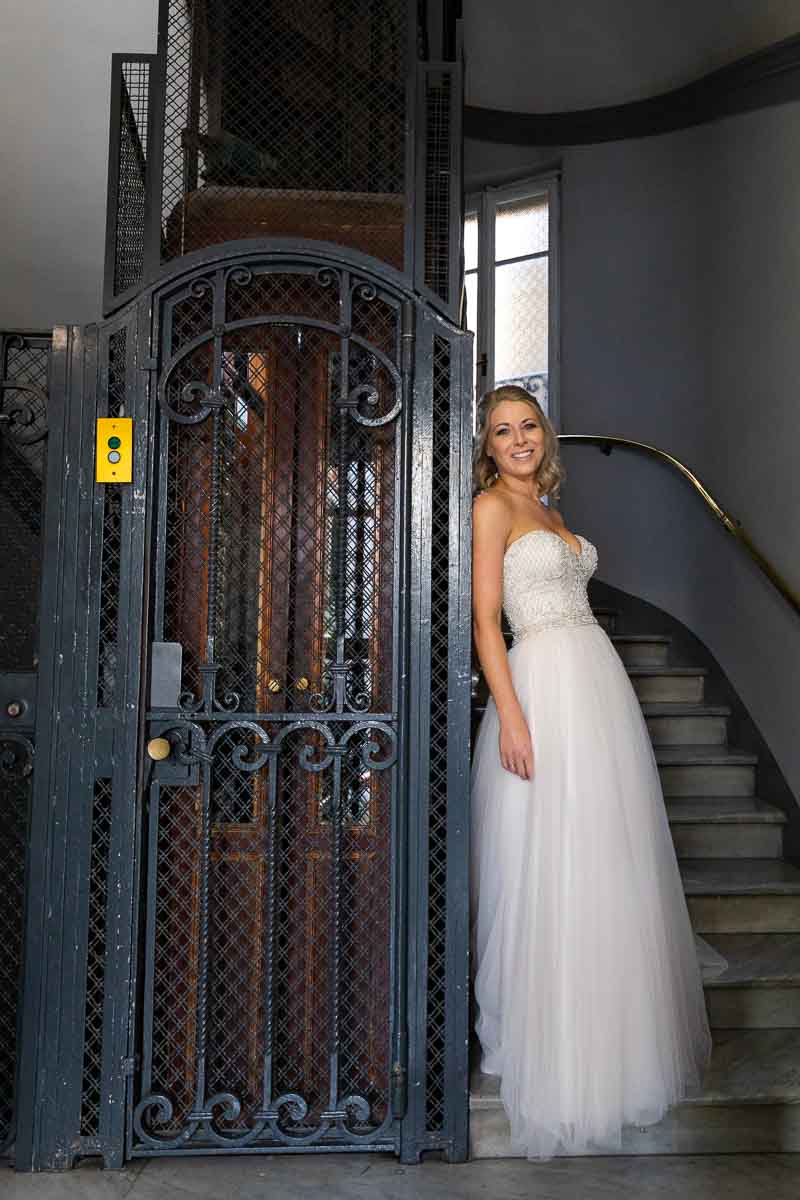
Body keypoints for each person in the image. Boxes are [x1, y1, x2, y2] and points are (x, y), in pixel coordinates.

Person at [469, 384, 727, 1160]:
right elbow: (486, 617)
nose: (519, 440)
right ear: (487, 448)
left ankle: (610, 1042)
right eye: (503, 432)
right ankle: (552, 1051)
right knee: (548, 868)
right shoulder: (493, 510)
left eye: (528, 427)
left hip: (596, 690)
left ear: (546, 435)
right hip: (542, 692)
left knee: (605, 868)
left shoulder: (547, 509)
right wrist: (511, 716)